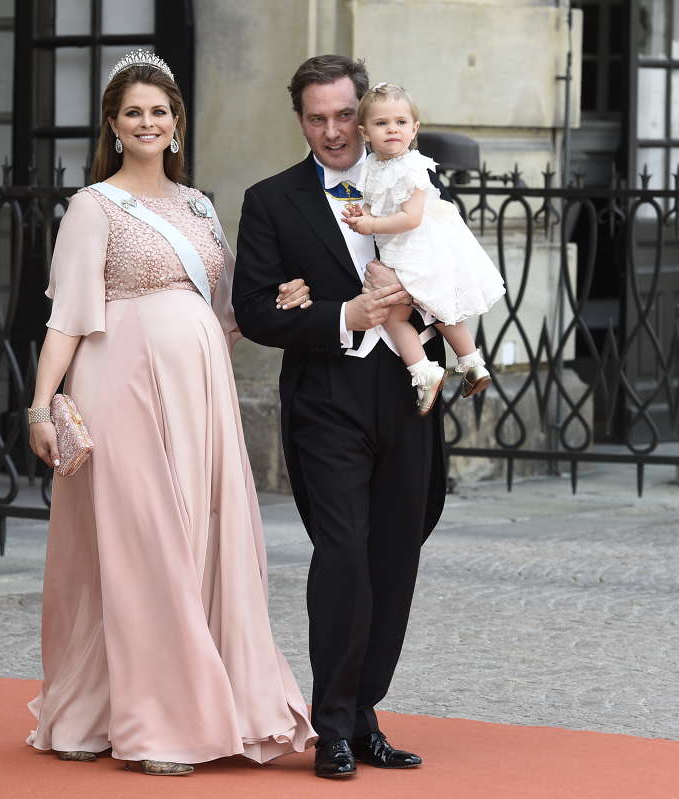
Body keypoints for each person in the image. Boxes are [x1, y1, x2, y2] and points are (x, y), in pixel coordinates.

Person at [24, 50, 316, 778]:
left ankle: (171, 707)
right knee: (139, 544)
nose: (147, 122)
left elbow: (229, 308)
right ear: (113, 125)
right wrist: (40, 407)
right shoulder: (92, 206)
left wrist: (285, 297)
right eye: (133, 112)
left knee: (197, 539)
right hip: (117, 385)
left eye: (159, 111)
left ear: (176, 122)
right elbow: (66, 319)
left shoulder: (199, 207)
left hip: (199, 388)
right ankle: (142, 720)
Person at [233, 54, 447, 779]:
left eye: (344, 115)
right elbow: (255, 310)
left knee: (396, 553)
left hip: (408, 392)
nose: (332, 131)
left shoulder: (417, 180)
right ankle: (332, 727)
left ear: (368, 110)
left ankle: (363, 713)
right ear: (299, 120)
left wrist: (423, 308)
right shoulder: (271, 201)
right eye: (316, 118)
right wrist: (339, 315)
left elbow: (451, 270)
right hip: (327, 399)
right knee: (344, 556)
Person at [343, 81, 506, 414]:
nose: (392, 129)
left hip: (421, 247)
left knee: (411, 311)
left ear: (414, 129)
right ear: (365, 133)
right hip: (400, 247)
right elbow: (376, 203)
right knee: (419, 310)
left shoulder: (413, 167)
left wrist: (371, 225)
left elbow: (411, 217)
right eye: (381, 123)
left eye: (400, 122)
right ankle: (467, 364)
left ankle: (432, 370)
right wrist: (364, 214)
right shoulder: (373, 166)